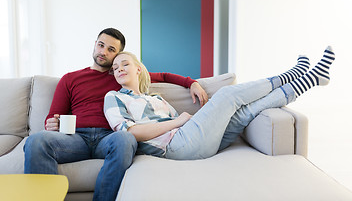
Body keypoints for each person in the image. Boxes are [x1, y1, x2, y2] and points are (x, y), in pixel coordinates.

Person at [23, 27, 208, 201]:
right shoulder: (70, 79)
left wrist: (192, 83)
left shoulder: (121, 75)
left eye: (111, 49)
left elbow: (165, 76)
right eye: (101, 45)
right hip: (76, 138)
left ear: (117, 55)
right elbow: (53, 116)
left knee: (126, 139)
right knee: (35, 140)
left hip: (109, 137)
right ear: (95, 44)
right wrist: (52, 123)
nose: (103, 52)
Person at [104, 46, 335, 160]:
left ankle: (310, 80)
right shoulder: (114, 98)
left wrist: (190, 119)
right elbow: (130, 132)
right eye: (115, 68)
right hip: (174, 148)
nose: (119, 69)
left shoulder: (155, 98)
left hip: (194, 138)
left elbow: (180, 114)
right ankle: (292, 74)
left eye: (124, 64)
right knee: (225, 96)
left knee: (244, 114)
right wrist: (178, 121)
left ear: (138, 68)